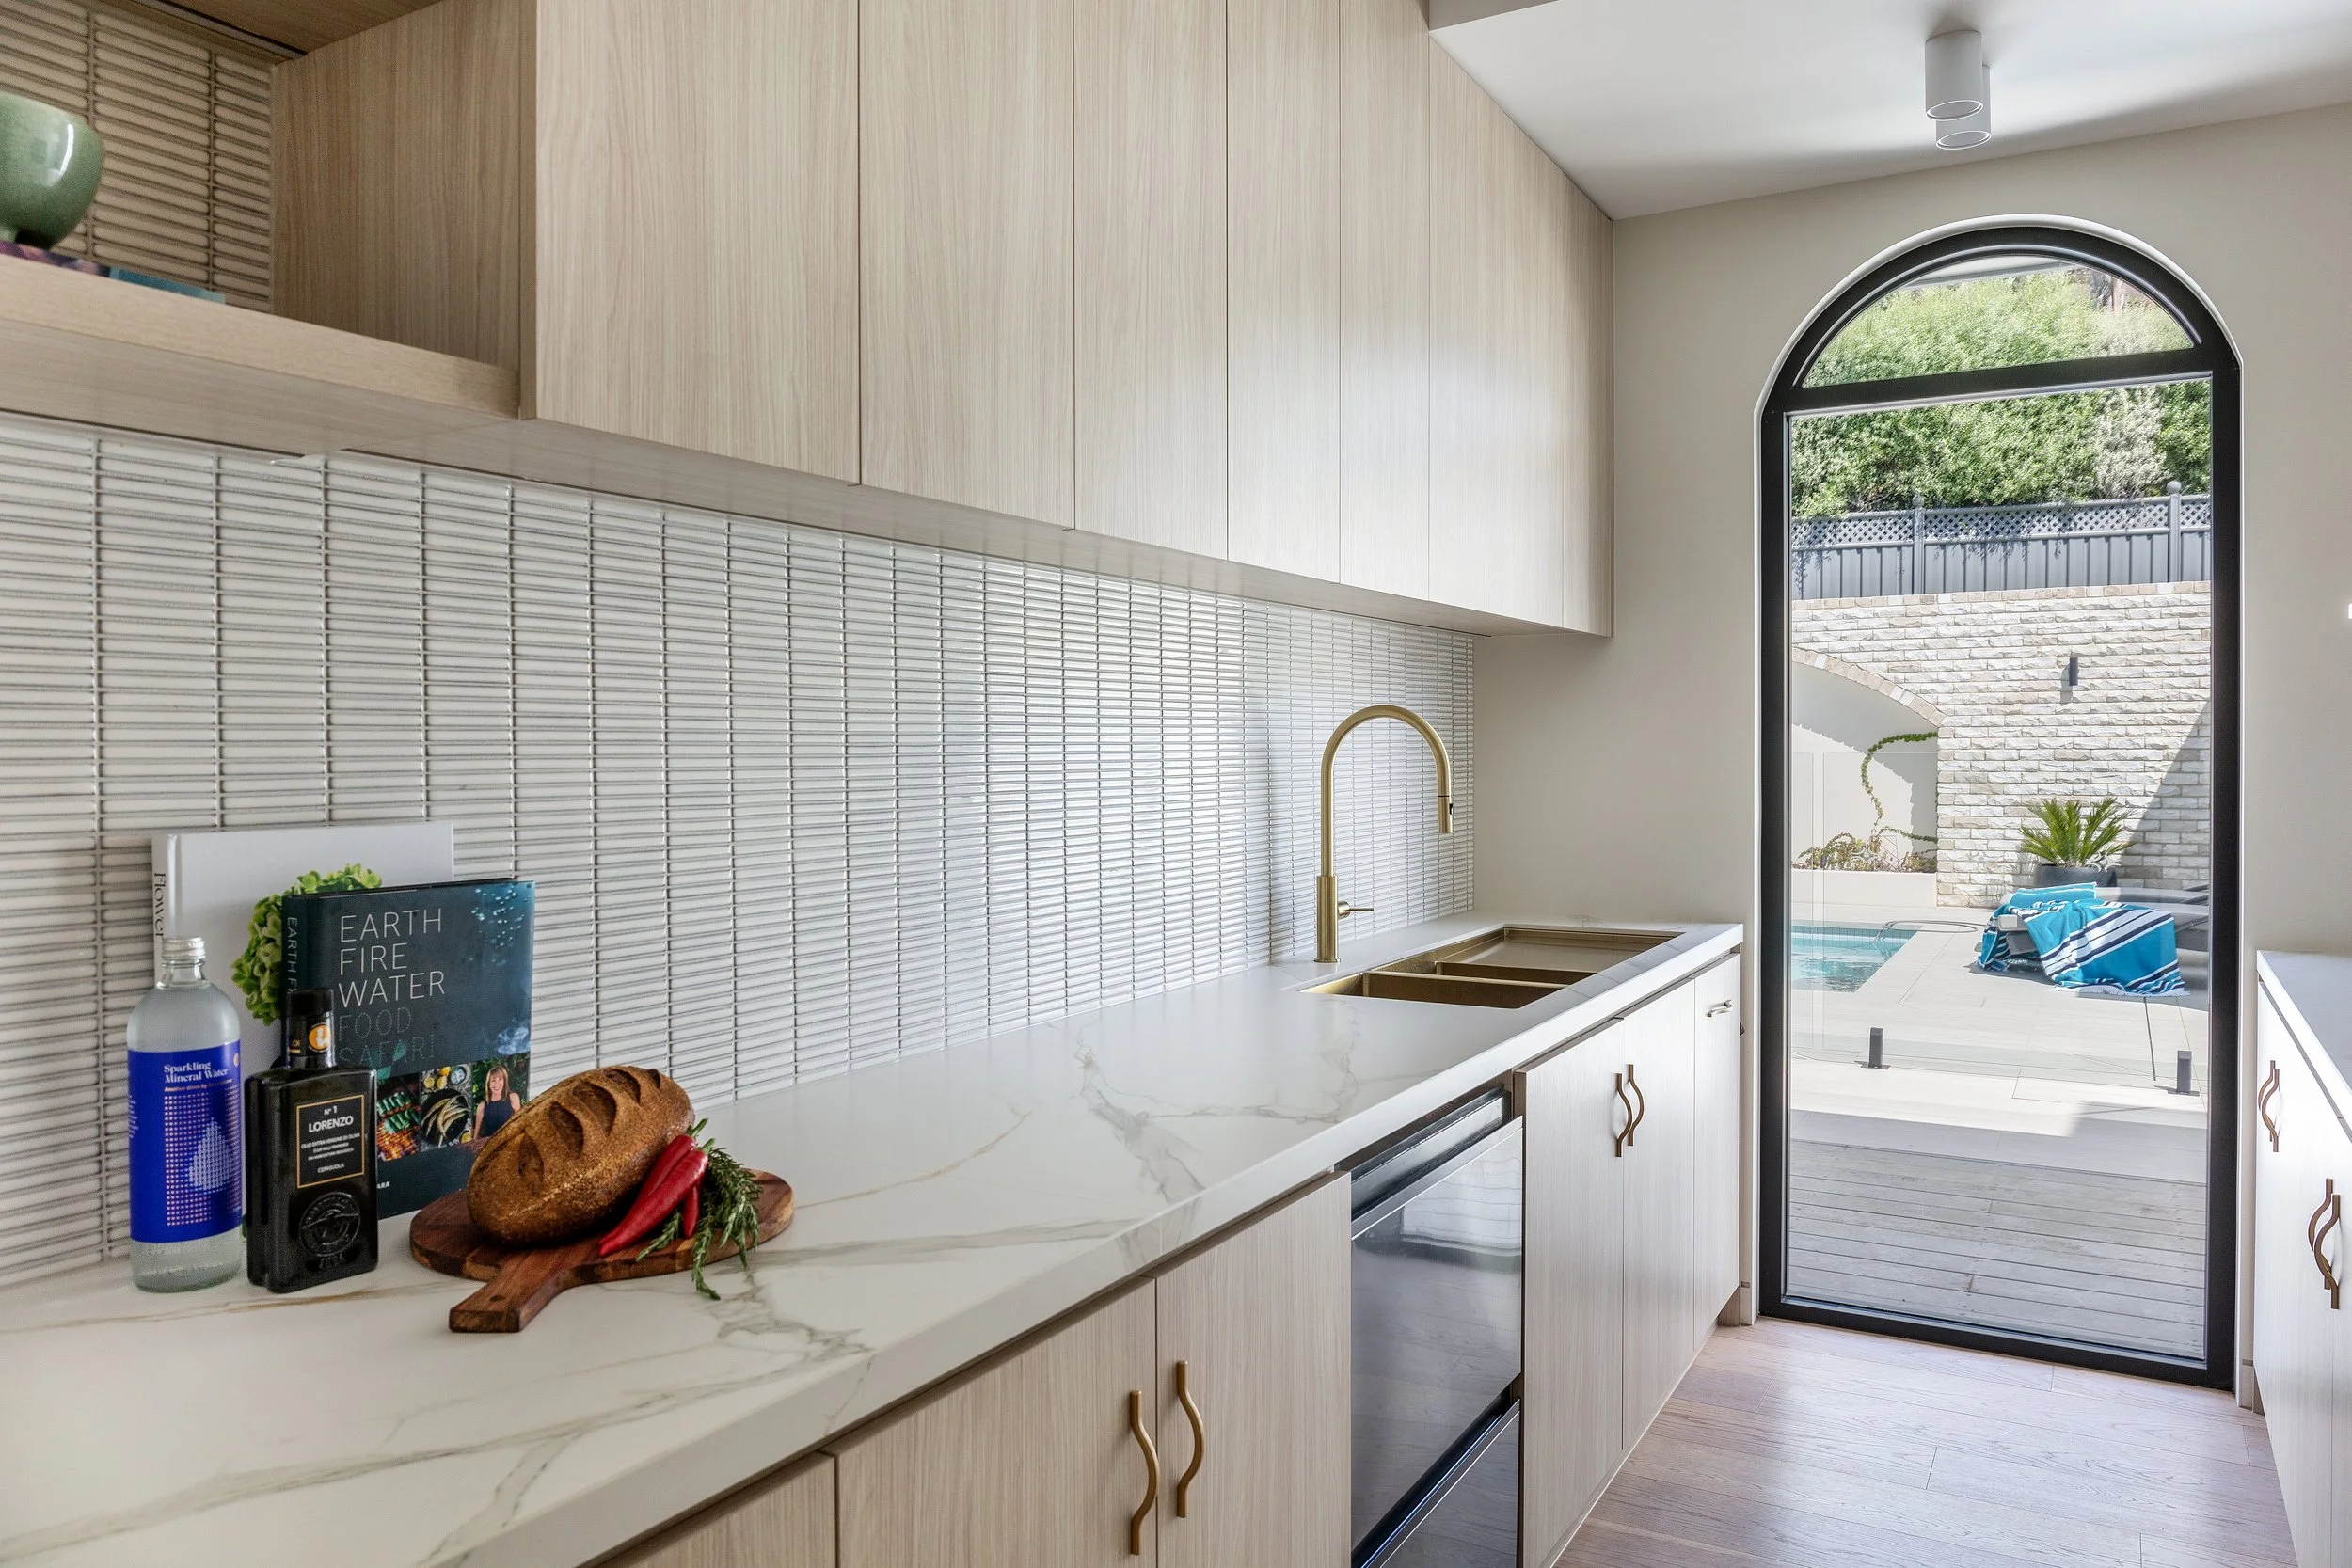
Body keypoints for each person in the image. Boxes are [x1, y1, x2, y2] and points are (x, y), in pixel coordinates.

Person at [471, 1063, 522, 1141]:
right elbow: (475, 1138)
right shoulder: (481, 1107)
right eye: (493, 1080)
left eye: (500, 1079)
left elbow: (520, 1125)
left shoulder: (513, 1098)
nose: (496, 1084)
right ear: (488, 1084)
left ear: (505, 1081)